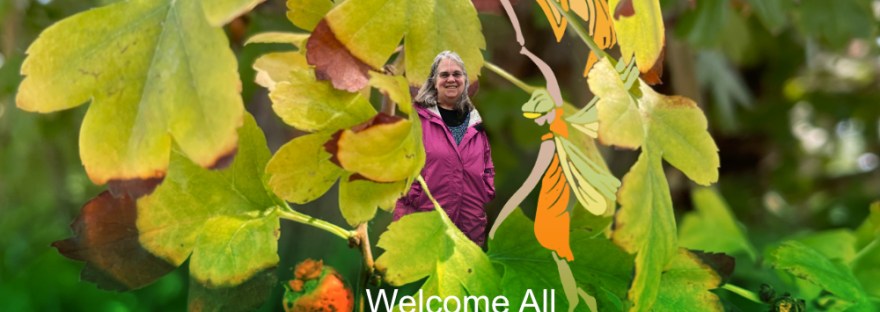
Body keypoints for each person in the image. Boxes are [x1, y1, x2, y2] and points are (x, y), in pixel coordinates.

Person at [393, 51, 495, 246]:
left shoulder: (474, 125)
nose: (451, 81)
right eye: (444, 75)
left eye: (457, 75)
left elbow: (485, 167)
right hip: (423, 219)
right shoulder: (420, 121)